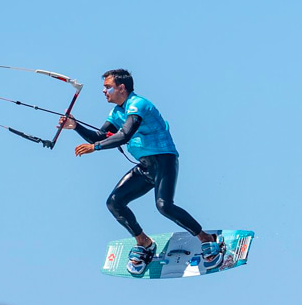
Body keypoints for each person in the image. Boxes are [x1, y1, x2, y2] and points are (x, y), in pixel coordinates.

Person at [60, 69, 223, 275]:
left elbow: (125, 135)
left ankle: (206, 239)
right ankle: (144, 242)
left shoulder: (138, 105)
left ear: (122, 88)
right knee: (114, 203)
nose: (103, 91)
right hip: (146, 167)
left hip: (164, 160)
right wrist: (75, 126)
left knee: (164, 206)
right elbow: (99, 136)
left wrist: (96, 148)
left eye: (107, 87)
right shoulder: (117, 112)